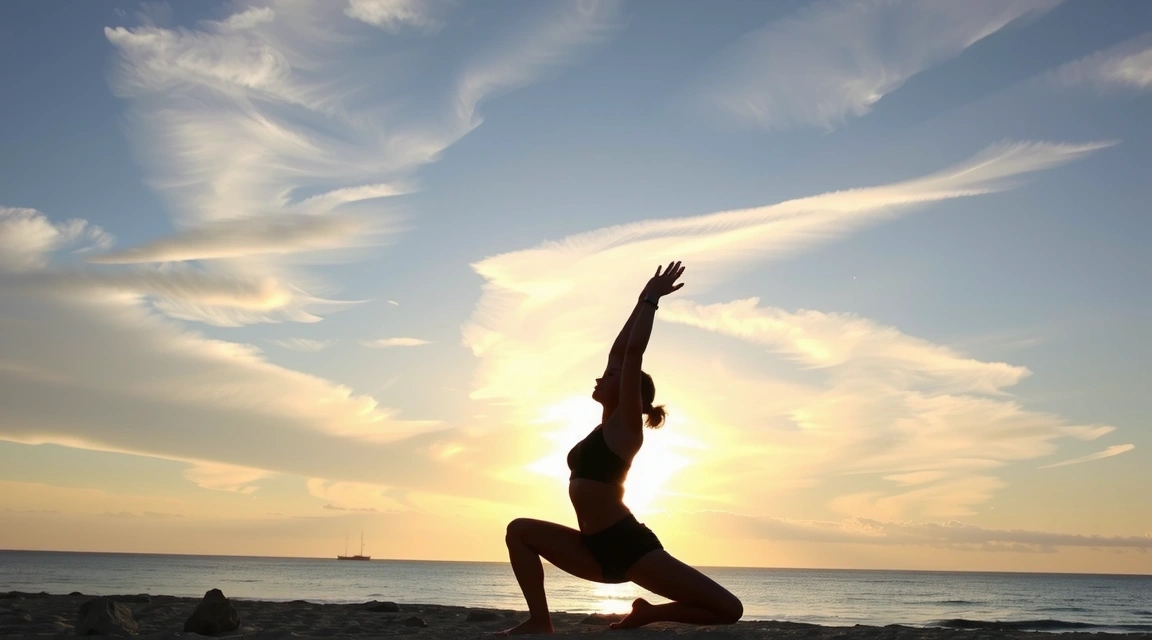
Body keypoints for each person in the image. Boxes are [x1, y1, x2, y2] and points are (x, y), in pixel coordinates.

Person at [500, 261, 743, 634]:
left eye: (612, 377)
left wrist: (651, 300)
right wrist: (639, 297)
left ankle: (650, 613)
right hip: (591, 547)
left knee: (729, 609)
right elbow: (619, 354)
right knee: (519, 530)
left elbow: (631, 356)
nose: (602, 375)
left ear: (633, 395)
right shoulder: (601, 429)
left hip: (628, 547)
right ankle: (540, 621)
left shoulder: (627, 427)